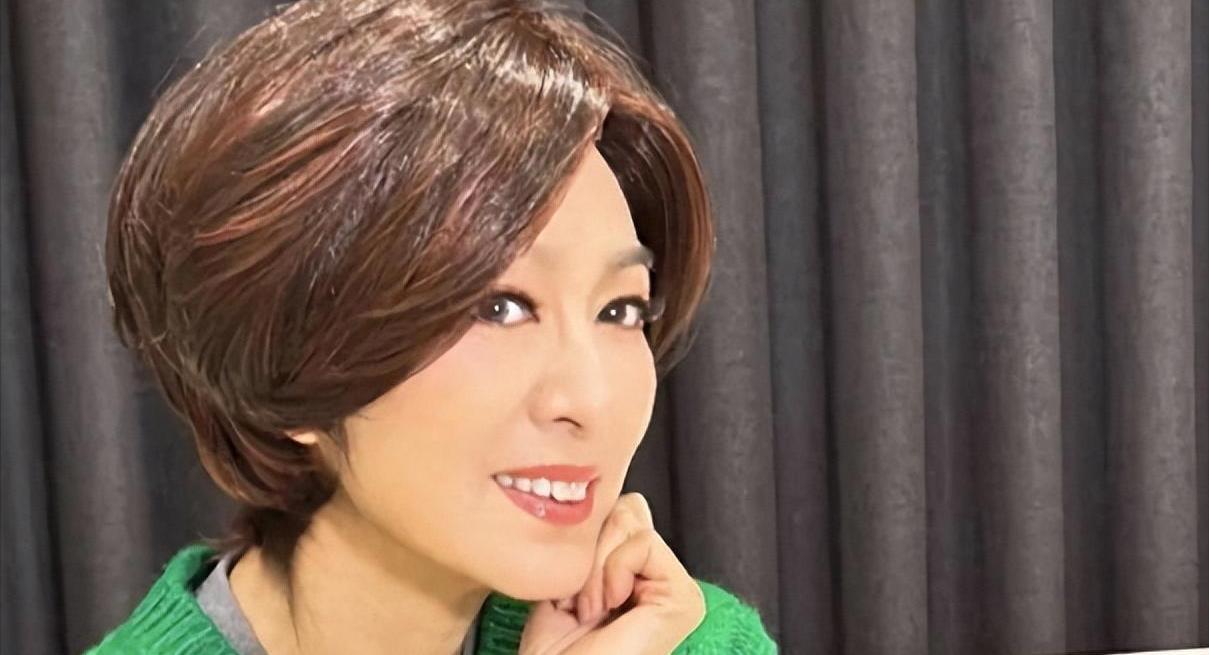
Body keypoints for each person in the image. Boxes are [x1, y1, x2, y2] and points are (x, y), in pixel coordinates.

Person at [85, 0, 777, 652]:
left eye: (619, 309)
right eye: (499, 307)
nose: (591, 400)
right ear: (291, 364)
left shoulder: (677, 635)